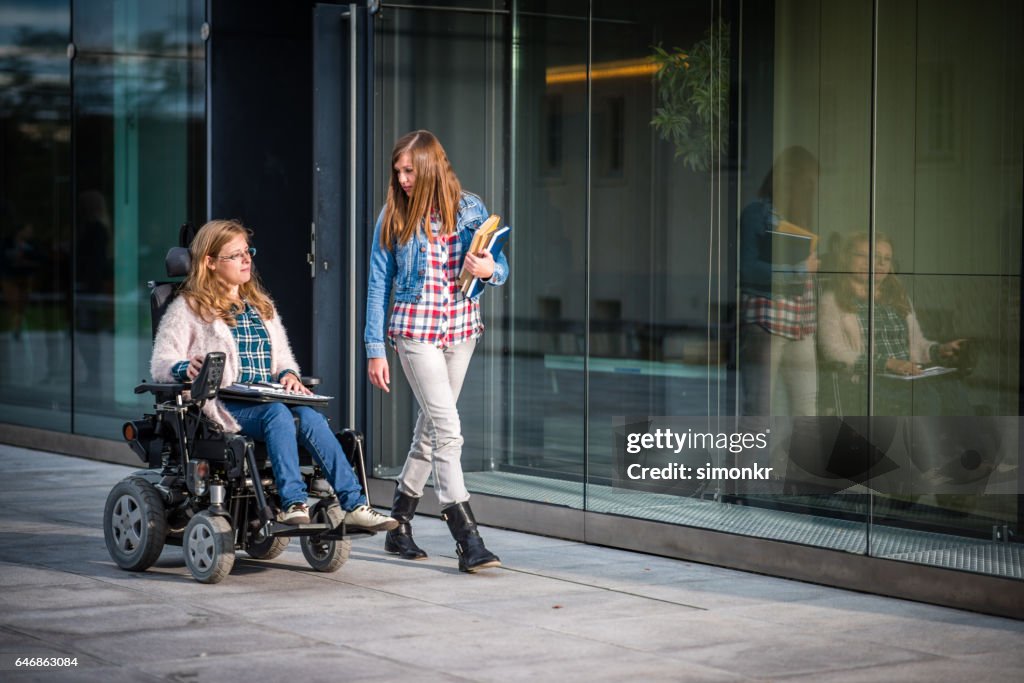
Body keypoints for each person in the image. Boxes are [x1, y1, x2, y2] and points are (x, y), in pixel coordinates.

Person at [151, 219, 398, 531]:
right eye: (235, 255)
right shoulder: (189, 307)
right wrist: (183, 367)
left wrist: (290, 375)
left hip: (265, 395)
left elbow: (282, 358)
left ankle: (355, 504)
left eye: (247, 252)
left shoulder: (259, 305)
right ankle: (292, 503)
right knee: (278, 414)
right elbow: (161, 361)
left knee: (309, 418)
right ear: (210, 263)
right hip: (222, 404)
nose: (246, 260)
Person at [365, 130, 509, 573]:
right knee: (448, 429)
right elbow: (377, 283)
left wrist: (489, 270)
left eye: (410, 170)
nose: (403, 178)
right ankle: (466, 536)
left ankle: (399, 524)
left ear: (430, 166)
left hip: (461, 330)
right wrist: (375, 347)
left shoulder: (470, 208)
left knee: (429, 432)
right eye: (398, 171)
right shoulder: (394, 214)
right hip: (416, 333)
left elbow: (498, 265)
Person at [817, 231, 966, 415]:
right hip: (869, 381)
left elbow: (917, 344)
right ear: (846, 258)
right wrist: (887, 363)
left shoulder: (898, 297)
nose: (879, 263)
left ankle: (965, 442)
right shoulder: (833, 299)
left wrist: (939, 350)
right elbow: (833, 352)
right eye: (866, 256)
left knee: (953, 388)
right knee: (927, 399)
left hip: (907, 376)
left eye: (886, 259)